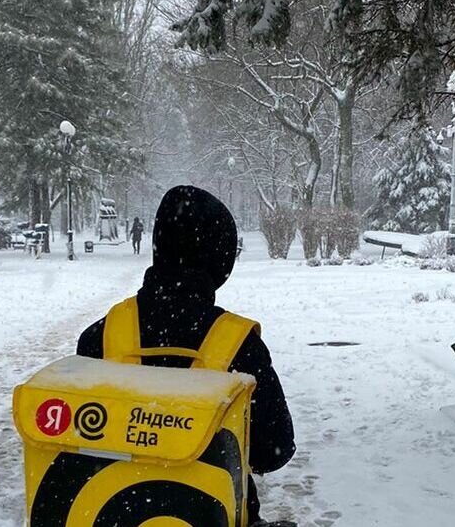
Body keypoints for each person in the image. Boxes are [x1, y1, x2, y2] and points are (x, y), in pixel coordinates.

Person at [77, 186, 295, 526]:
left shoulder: (99, 337)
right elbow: (273, 452)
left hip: (111, 513)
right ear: (220, 259)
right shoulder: (240, 345)